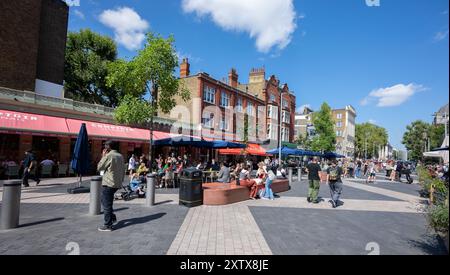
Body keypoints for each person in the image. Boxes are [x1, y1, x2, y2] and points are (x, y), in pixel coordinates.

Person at [97, 140, 125, 232]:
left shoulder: (109, 156)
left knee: (106, 204)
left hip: (109, 183)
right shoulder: (120, 156)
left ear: (109, 146)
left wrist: (103, 156)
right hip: (117, 183)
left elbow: (99, 167)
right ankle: (112, 217)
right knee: (105, 201)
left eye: (105, 145)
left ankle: (108, 225)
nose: (104, 146)